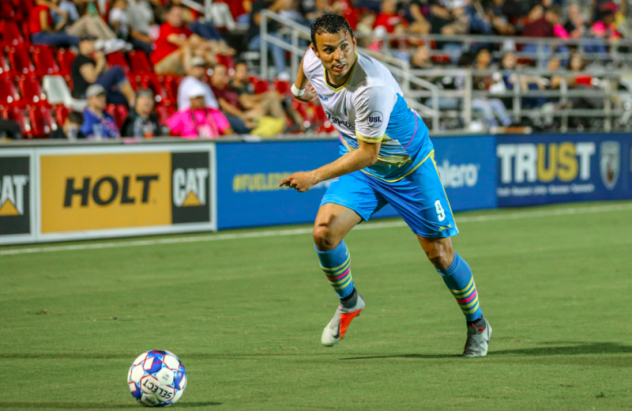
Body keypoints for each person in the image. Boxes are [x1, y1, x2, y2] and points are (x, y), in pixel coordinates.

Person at [280, 14, 491, 357]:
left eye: (344, 46)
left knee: (439, 254)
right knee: (323, 233)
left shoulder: (370, 87)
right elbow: (306, 68)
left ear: (355, 43)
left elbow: (368, 153)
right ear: (317, 52)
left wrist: (314, 176)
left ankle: (478, 324)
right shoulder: (312, 61)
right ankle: (350, 302)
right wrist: (297, 90)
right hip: (362, 169)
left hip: (408, 168)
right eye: (328, 49)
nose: (338, 56)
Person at [230, 61, 305, 132]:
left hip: (256, 107)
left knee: (280, 98)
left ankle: (301, 124)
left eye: (245, 71)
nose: (244, 73)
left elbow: (250, 98)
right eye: (241, 71)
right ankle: (284, 126)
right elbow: (246, 103)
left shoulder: (246, 85)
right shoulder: (234, 86)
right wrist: (265, 95)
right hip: (249, 112)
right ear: (235, 73)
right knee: (273, 97)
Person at [151, 5, 217, 75]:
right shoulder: (165, 27)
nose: (179, 17)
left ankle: (214, 73)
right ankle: (191, 75)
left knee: (204, 51)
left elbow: (197, 39)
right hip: (161, 64)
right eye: (176, 15)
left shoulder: (183, 28)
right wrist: (201, 45)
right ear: (168, 16)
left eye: (180, 15)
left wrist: (206, 45)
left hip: (179, 62)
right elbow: (181, 43)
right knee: (186, 49)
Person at [71, 35, 136, 106]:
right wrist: (100, 63)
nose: (91, 45)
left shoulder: (92, 59)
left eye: (92, 43)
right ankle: (132, 99)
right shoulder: (81, 59)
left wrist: (102, 60)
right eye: (88, 43)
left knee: (123, 97)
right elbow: (92, 78)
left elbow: (106, 72)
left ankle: (132, 101)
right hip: (85, 93)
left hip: (98, 90)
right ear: (81, 44)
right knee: (117, 70)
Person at [166, 83, 234, 138]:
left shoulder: (213, 112)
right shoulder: (183, 114)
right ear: (191, 99)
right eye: (197, 98)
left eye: (202, 98)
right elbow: (168, 130)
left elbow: (227, 130)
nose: (200, 101)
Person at [246, 0, 293, 79]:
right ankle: (282, 72)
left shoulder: (275, 6)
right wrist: (275, 7)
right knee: (276, 40)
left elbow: (279, 24)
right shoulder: (259, 4)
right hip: (255, 39)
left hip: (272, 37)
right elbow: (259, 20)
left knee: (293, 40)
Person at [210, 64, 255, 134]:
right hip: (228, 116)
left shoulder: (229, 89)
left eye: (224, 73)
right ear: (212, 76)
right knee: (245, 126)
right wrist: (243, 116)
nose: (223, 76)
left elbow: (242, 103)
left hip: (240, 113)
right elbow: (225, 107)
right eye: (219, 74)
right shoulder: (213, 89)